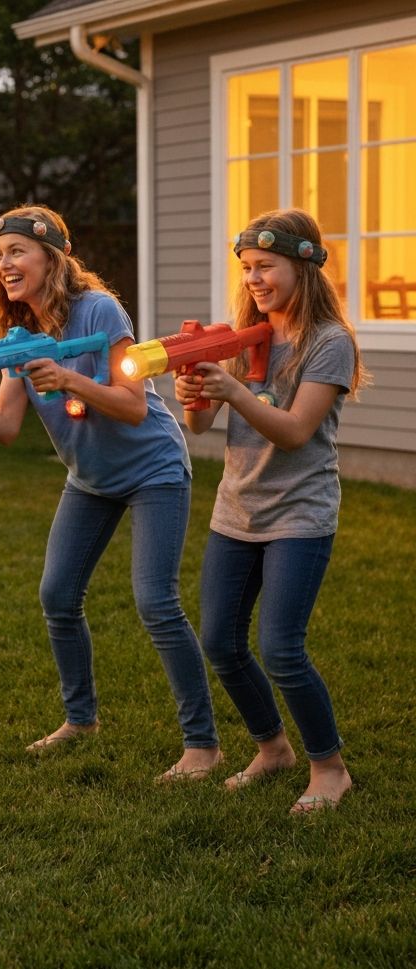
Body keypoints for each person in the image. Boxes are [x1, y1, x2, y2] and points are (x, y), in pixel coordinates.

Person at [0, 205, 221, 781]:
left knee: (156, 603)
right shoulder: (18, 336)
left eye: (16, 252)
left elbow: (133, 406)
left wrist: (70, 379)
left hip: (152, 468)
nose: (4, 264)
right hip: (90, 479)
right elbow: (7, 427)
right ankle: (80, 721)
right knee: (58, 596)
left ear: (51, 257)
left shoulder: (98, 310)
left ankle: (202, 745)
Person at [174, 208, 368, 814]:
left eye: (267, 266)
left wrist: (233, 392)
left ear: (303, 266)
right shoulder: (243, 335)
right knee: (221, 642)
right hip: (237, 510)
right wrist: (195, 397)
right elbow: (203, 428)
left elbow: (294, 431)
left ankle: (329, 768)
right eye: (248, 268)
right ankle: (272, 747)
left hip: (299, 516)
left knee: (282, 648)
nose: (255, 279)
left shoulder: (328, 343)